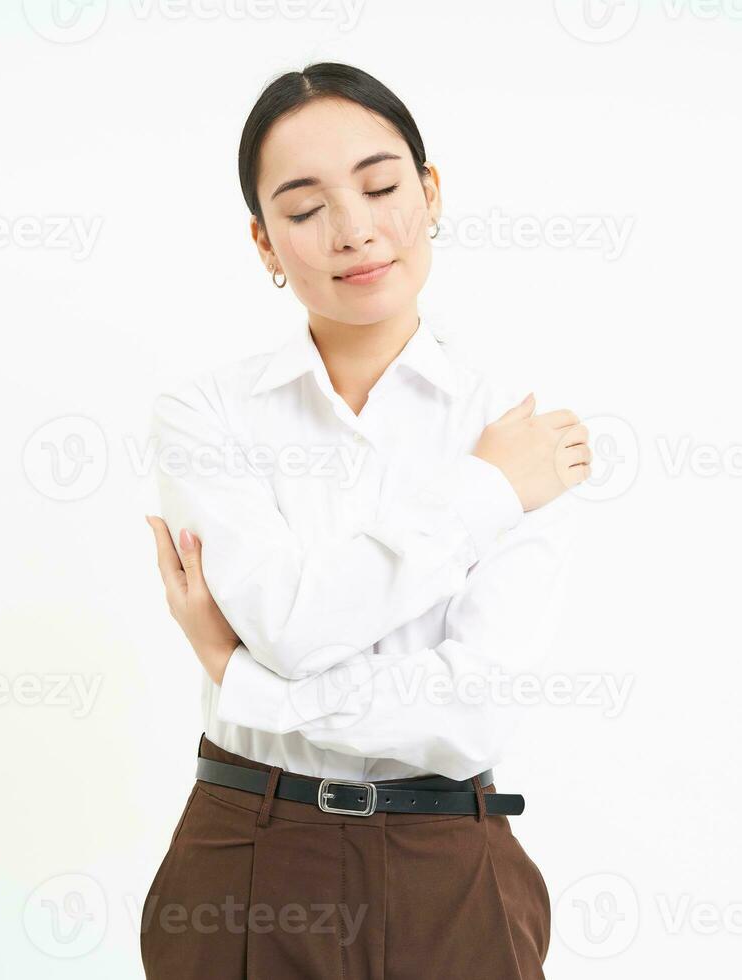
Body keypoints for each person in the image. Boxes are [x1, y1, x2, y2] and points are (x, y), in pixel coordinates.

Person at [140, 62, 591, 979]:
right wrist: (480, 497)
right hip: (248, 853)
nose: (354, 230)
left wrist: (244, 677)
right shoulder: (206, 416)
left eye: (381, 187)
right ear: (265, 244)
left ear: (428, 194)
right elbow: (295, 626)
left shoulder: (516, 430)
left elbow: (466, 701)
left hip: (451, 867)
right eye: (304, 212)